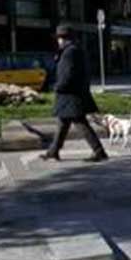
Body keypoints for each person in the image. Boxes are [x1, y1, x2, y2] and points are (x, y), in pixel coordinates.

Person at [40, 25, 107, 163]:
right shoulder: (74, 50)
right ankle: (53, 151)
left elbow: (68, 74)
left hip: (70, 94)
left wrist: (58, 87)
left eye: (59, 38)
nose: (58, 41)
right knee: (63, 123)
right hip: (73, 94)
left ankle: (99, 151)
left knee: (80, 123)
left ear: (64, 39)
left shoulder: (70, 52)